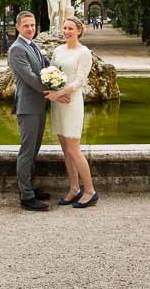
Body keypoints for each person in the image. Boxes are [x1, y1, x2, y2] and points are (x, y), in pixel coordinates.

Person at [7, 10, 67, 211]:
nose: (30, 28)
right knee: (27, 151)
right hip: (28, 107)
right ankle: (26, 196)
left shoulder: (34, 45)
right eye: (26, 26)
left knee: (34, 150)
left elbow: (46, 68)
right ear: (18, 27)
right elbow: (31, 77)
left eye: (32, 25)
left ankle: (29, 187)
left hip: (39, 106)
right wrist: (55, 94)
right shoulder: (16, 49)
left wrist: (60, 83)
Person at [50, 17, 98, 208]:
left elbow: (80, 81)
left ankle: (90, 191)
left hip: (71, 102)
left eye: (71, 28)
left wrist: (61, 93)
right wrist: (54, 92)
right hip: (58, 102)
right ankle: (74, 188)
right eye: (65, 28)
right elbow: (51, 71)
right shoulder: (58, 50)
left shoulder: (84, 52)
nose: (67, 31)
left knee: (74, 149)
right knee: (65, 150)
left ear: (79, 30)